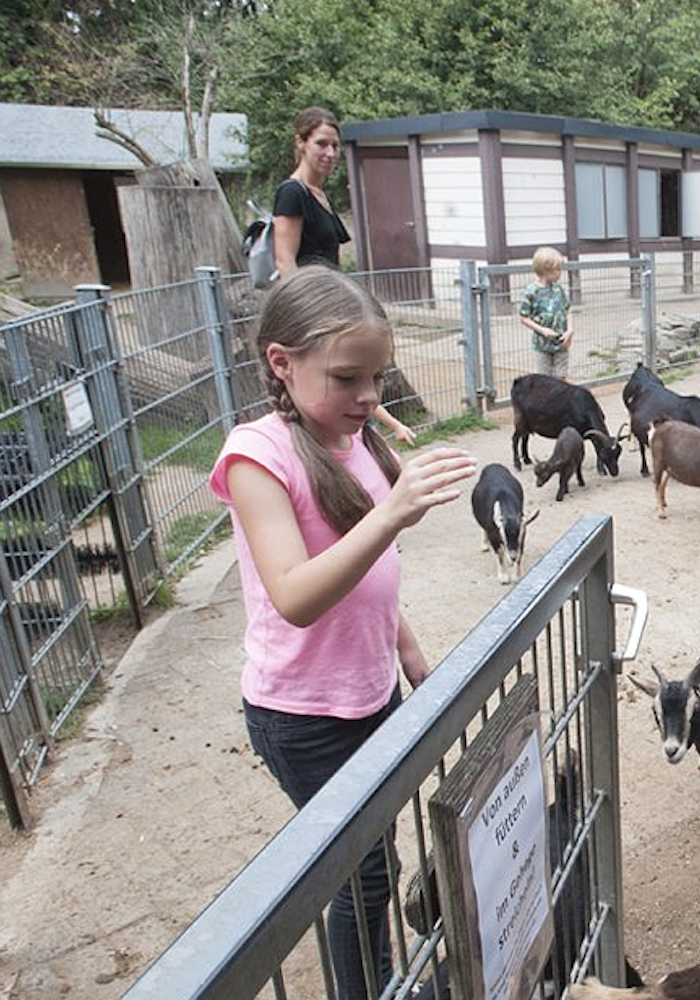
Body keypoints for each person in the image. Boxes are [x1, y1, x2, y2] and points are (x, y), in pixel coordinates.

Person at [208, 266, 476, 998]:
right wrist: (391, 513)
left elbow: (372, 578)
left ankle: (378, 981)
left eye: (378, 379)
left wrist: (412, 653)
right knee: (361, 876)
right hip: (300, 714)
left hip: (369, 693)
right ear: (281, 364)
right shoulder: (257, 457)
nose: (367, 397)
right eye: (347, 377)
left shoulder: (351, 437)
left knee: (373, 859)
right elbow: (295, 595)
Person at [273, 105, 415, 444]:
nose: (330, 153)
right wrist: (307, 318)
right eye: (321, 143)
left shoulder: (320, 196)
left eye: (335, 146)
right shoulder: (292, 193)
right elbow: (284, 260)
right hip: (313, 309)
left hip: (335, 302)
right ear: (301, 143)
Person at [519, 246, 573, 379]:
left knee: (561, 378)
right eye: (557, 270)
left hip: (561, 343)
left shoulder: (558, 289)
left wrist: (570, 330)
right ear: (546, 270)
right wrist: (543, 331)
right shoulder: (531, 291)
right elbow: (523, 317)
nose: (560, 273)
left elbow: (568, 309)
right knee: (545, 380)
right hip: (542, 345)